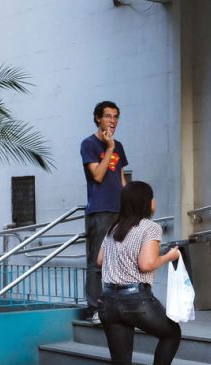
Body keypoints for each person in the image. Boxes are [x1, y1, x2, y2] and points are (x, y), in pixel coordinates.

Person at [97, 181, 182, 365]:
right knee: (171, 333)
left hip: (108, 301)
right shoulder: (150, 227)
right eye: (153, 197)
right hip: (135, 300)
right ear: (146, 202)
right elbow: (146, 264)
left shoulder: (114, 227)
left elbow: (99, 260)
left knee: (119, 363)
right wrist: (169, 256)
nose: (155, 201)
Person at [80, 100, 128, 325]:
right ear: (98, 118)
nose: (113, 121)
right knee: (96, 262)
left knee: (120, 260)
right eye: (108, 116)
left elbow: (120, 177)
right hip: (100, 210)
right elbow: (97, 176)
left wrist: (130, 203)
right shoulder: (89, 144)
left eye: (116, 116)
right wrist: (108, 148)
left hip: (120, 210)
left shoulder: (119, 145)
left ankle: (117, 306)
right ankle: (94, 308)